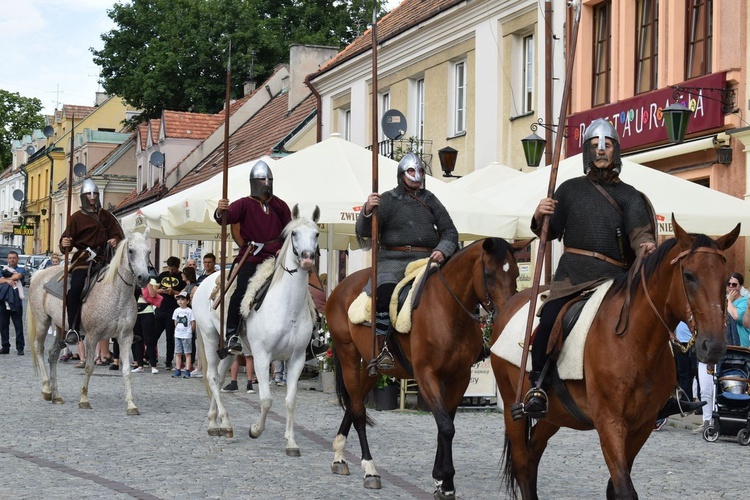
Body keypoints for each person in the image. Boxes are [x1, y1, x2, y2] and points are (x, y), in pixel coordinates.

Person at [523, 118, 703, 419]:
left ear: (616, 151)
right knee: (551, 318)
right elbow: (549, 232)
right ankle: (538, 385)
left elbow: (640, 235)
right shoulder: (569, 190)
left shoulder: (630, 196)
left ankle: (667, 392)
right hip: (572, 277)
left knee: (653, 325)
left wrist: (646, 246)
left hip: (614, 279)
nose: (601, 151)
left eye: (606, 146)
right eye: (595, 146)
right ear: (587, 152)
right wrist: (541, 214)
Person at [355, 152, 458, 370]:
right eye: (411, 171)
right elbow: (365, 232)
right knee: (384, 291)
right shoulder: (386, 200)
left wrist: (442, 250)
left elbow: (450, 231)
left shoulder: (430, 199)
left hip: (427, 260)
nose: (417, 175)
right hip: (393, 260)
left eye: (420, 170)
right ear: (402, 175)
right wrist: (367, 210)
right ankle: (382, 349)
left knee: (455, 288)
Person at [213, 160, 291, 357]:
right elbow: (225, 219)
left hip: (276, 257)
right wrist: (220, 210)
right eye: (261, 180)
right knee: (241, 291)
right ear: (255, 182)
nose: (265, 183)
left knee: (298, 287)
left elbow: (288, 230)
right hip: (252, 256)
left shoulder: (280, 205)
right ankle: (232, 334)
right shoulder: (244, 204)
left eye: (267, 180)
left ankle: (309, 338)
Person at [60, 179, 124, 345]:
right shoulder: (76, 218)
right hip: (84, 259)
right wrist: (64, 243)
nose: (92, 197)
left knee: (129, 285)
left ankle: (127, 326)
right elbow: (67, 239)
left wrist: (115, 240)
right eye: (89, 193)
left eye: (94, 193)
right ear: (83, 196)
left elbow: (118, 234)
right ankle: (73, 328)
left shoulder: (106, 216)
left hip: (107, 259)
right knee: (75, 289)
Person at [154, 256, 185, 370]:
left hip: (173, 310)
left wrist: (174, 292)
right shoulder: (162, 275)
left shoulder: (181, 277)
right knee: (154, 335)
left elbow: (184, 294)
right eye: (169, 269)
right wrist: (162, 290)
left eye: (173, 269)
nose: (171, 271)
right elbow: (154, 290)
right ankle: (150, 358)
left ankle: (168, 361)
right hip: (161, 308)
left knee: (170, 337)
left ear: (178, 267)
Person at [0, 251, 26, 355]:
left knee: (18, 325)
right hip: (3, 301)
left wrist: (5, 279)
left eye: (14, 258)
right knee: (3, 325)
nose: (12, 260)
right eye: (10, 258)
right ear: (7, 259)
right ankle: (5, 346)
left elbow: (18, 276)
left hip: (16, 302)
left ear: (17, 259)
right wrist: (7, 281)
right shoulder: (2, 269)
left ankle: (20, 348)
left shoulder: (21, 269)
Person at [171, 291, 195, 378]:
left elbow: (193, 323)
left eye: (183, 299)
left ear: (187, 301)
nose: (180, 301)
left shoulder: (190, 311)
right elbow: (175, 321)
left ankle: (187, 369)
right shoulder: (176, 311)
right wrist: (176, 330)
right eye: (179, 299)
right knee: (178, 353)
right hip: (178, 334)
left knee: (187, 353)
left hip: (186, 335)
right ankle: (178, 369)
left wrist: (190, 331)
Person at [726, 272, 750, 347]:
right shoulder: (722, 300)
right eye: (728, 284)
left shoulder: (745, 300)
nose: (730, 286)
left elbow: (737, 316)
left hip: (741, 345)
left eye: (734, 284)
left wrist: (729, 301)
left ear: (740, 286)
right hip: (727, 344)